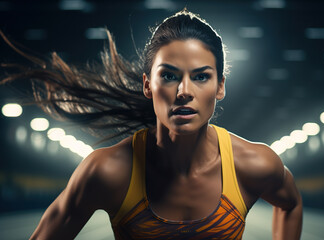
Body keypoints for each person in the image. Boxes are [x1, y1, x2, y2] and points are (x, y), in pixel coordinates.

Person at [1, 9, 302, 240]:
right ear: (148, 86)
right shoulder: (107, 171)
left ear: (220, 86)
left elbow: (290, 204)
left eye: (201, 76)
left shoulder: (253, 164)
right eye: (169, 75)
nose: (184, 91)